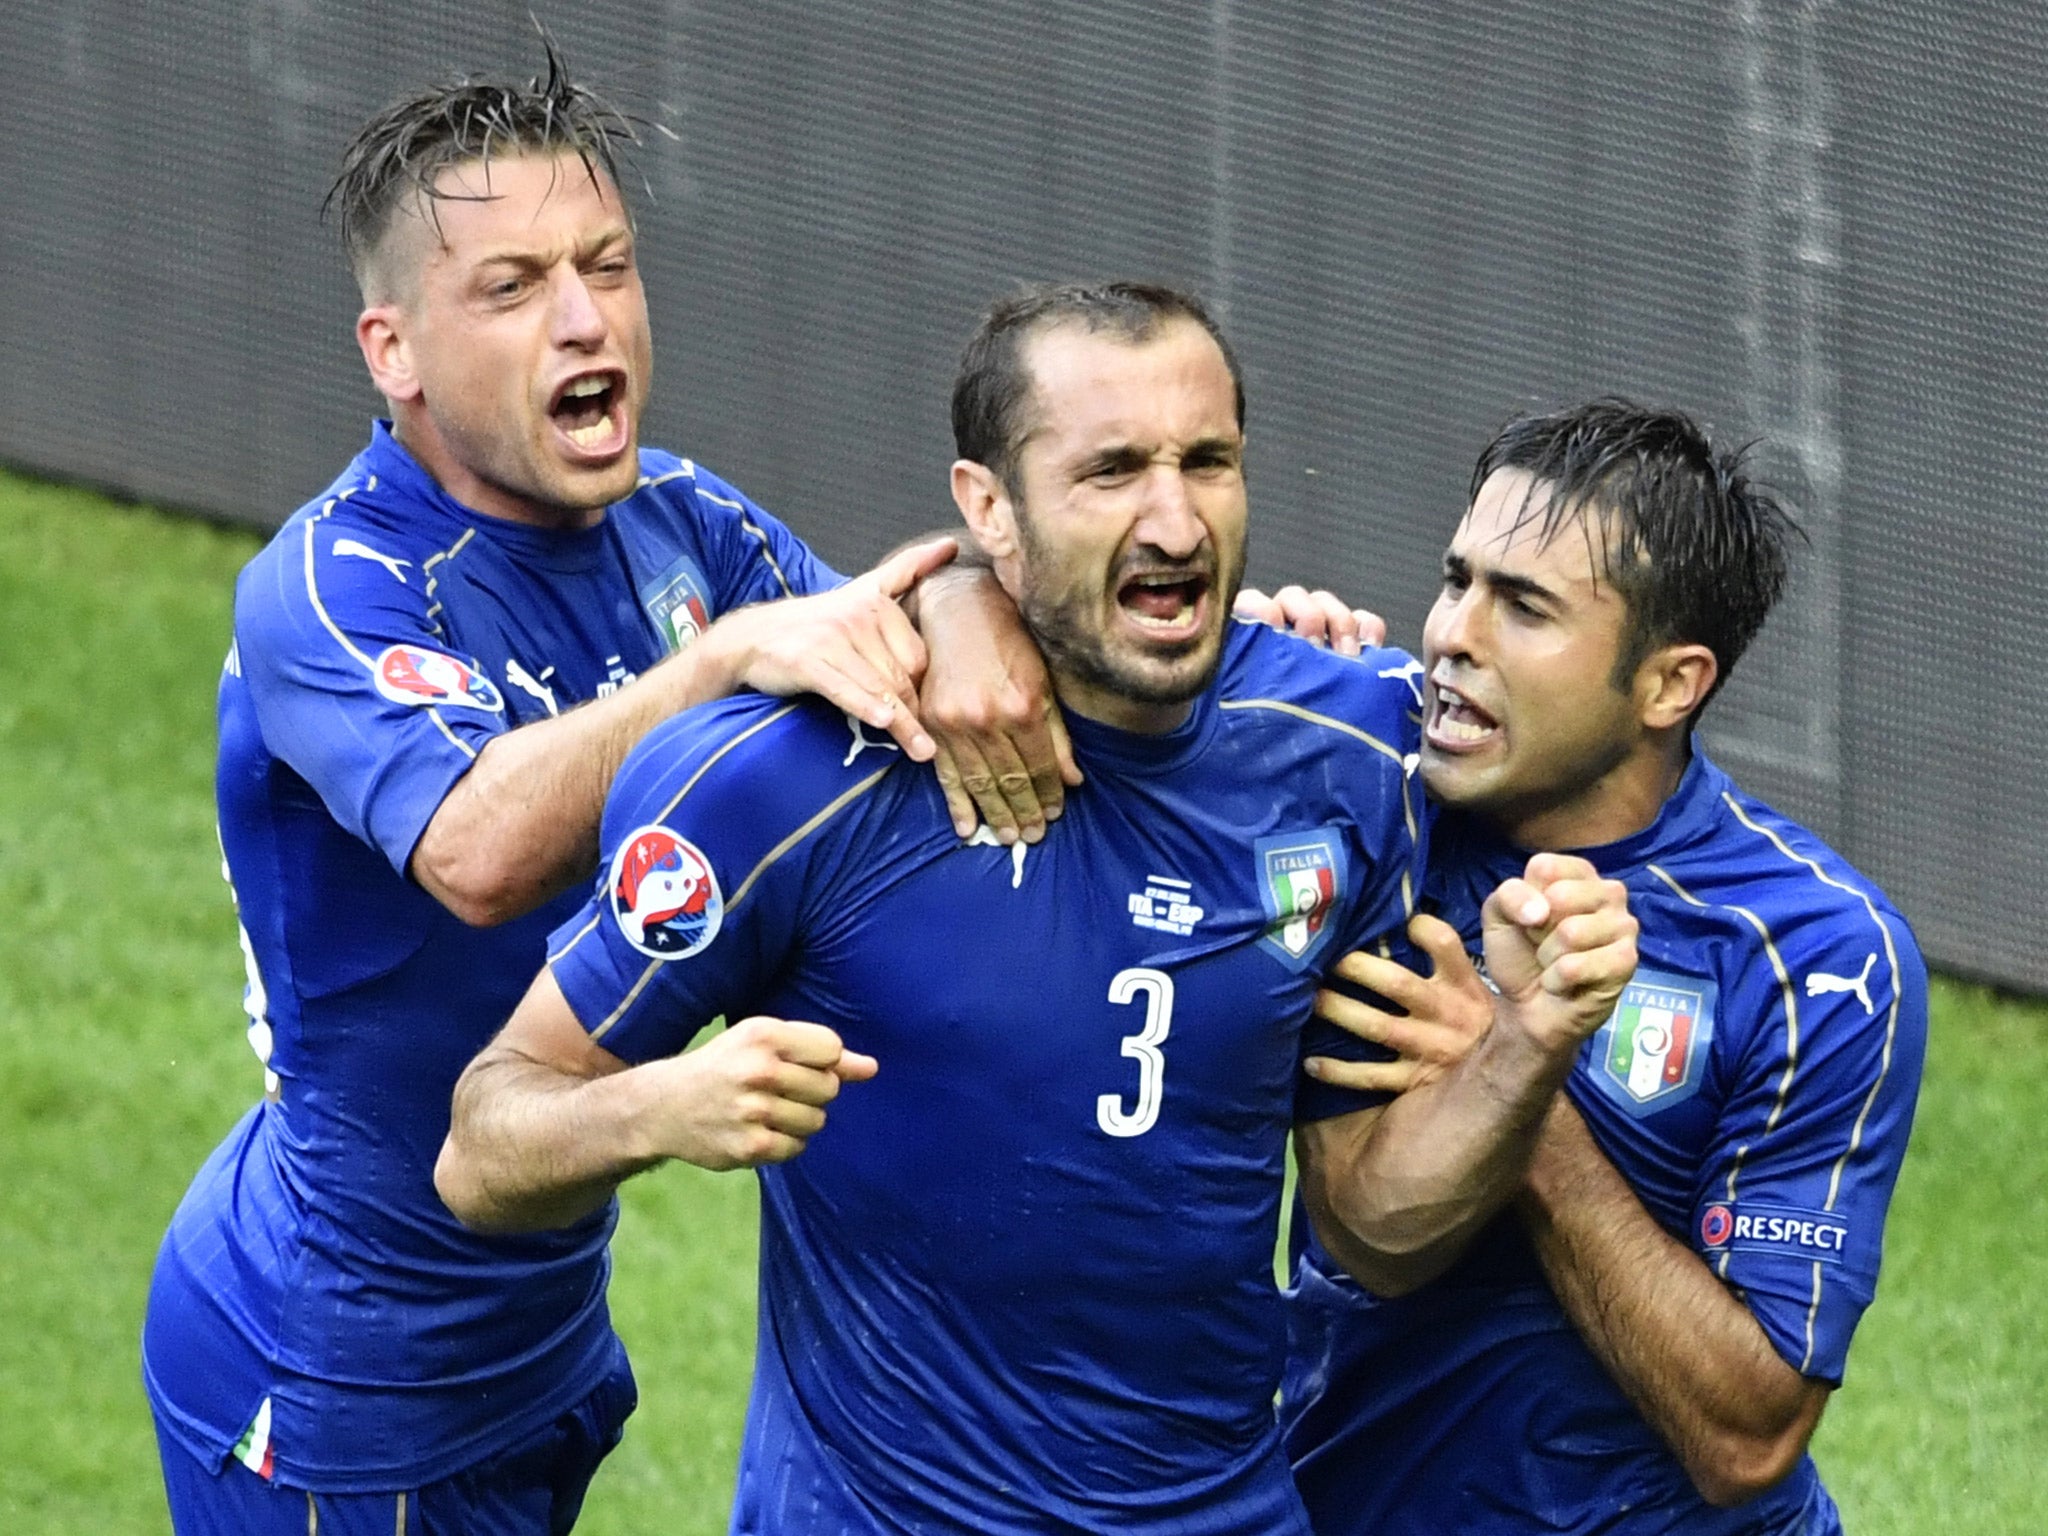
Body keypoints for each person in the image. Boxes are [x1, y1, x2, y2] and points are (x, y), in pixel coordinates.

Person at [434, 281, 1640, 1534]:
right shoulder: (781, 782)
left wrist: (1528, 1039)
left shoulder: (1346, 749)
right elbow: (483, 1146)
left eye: (1207, 462)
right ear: (985, 510)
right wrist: (655, 1106)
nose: (1172, 518)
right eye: (1109, 472)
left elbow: (1373, 1231)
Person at [141, 48, 1073, 1535]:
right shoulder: (329, 585)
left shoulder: (680, 525)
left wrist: (970, 602)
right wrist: (720, 670)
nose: (586, 318)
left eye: (609, 265)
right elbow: (477, 849)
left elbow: (903, 645)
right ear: (395, 351)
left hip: (543, 1327)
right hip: (340, 1380)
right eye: (511, 288)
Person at [1276, 400, 1929, 1535]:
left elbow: (1748, 1435)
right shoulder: (1359, 784)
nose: (1450, 636)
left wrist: (1516, 1075)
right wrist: (1213, 689)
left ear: (1667, 685)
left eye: (1522, 607)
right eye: (1456, 581)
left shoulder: (1814, 954)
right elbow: (1361, 1232)